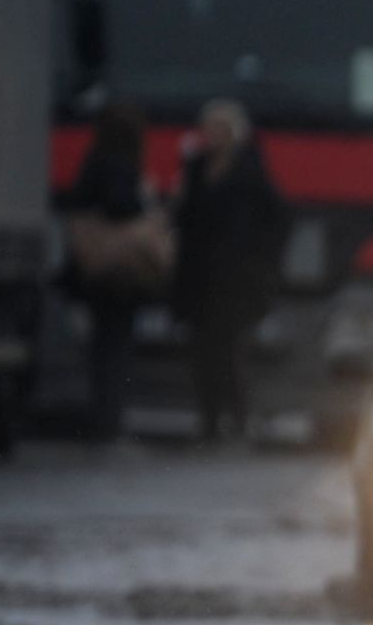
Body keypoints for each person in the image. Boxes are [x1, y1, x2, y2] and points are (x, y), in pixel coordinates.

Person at [172, 99, 287, 444]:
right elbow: (185, 215)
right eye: (210, 129)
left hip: (236, 278)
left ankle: (236, 418)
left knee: (228, 351)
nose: (214, 135)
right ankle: (208, 419)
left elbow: (276, 218)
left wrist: (258, 257)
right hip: (199, 276)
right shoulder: (195, 167)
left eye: (221, 129)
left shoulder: (250, 170)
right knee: (201, 353)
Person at [56, 96, 163, 442]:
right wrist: (143, 201)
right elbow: (120, 207)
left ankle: (103, 417)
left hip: (97, 269)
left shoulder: (94, 160)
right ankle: (109, 421)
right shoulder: (119, 164)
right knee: (115, 347)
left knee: (103, 346)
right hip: (118, 272)